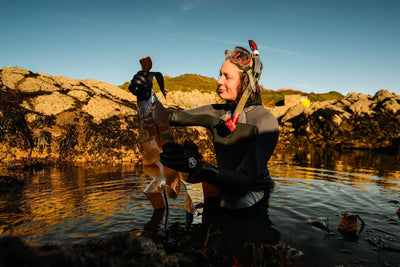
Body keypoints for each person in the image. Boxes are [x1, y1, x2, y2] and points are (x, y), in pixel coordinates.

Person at [129, 41, 279, 212]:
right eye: (220, 74)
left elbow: (245, 179)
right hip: (222, 180)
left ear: (246, 83)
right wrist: (147, 95)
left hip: (253, 190)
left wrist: (195, 165)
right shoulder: (216, 112)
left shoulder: (265, 121)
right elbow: (170, 117)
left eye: (227, 76)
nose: (219, 80)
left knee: (234, 203)